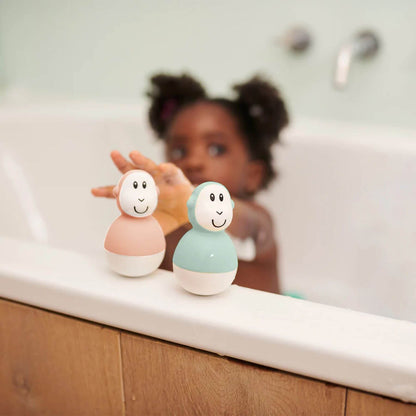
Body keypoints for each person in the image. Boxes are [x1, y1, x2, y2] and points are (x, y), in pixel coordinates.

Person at [92, 73, 289, 294]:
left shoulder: (256, 219)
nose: (193, 161)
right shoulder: (167, 220)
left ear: (253, 175)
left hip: (256, 321)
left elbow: (251, 227)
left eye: (216, 149)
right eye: (179, 150)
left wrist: (192, 201)